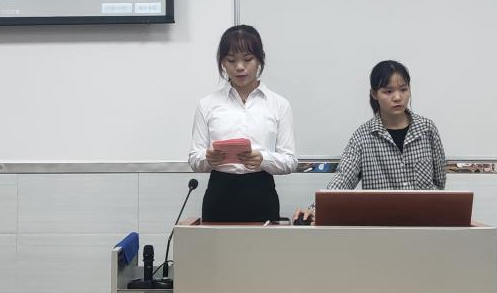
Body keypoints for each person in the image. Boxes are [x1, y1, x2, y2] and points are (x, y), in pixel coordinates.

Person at [294, 59, 446, 221]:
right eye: (388, 91)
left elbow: (439, 181)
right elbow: (343, 178)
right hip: (382, 225)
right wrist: (316, 208)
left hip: (425, 222)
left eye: (403, 89)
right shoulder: (363, 136)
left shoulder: (427, 129)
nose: (397, 97)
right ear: (374, 94)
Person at [189, 25, 298, 222]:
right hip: (219, 192)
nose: (239, 67)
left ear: (260, 59)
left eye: (247, 59)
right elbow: (194, 159)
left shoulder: (279, 104)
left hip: (261, 191)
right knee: (216, 244)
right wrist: (209, 158)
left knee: (262, 244)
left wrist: (263, 159)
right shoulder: (207, 104)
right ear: (223, 62)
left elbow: (290, 161)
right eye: (231, 60)